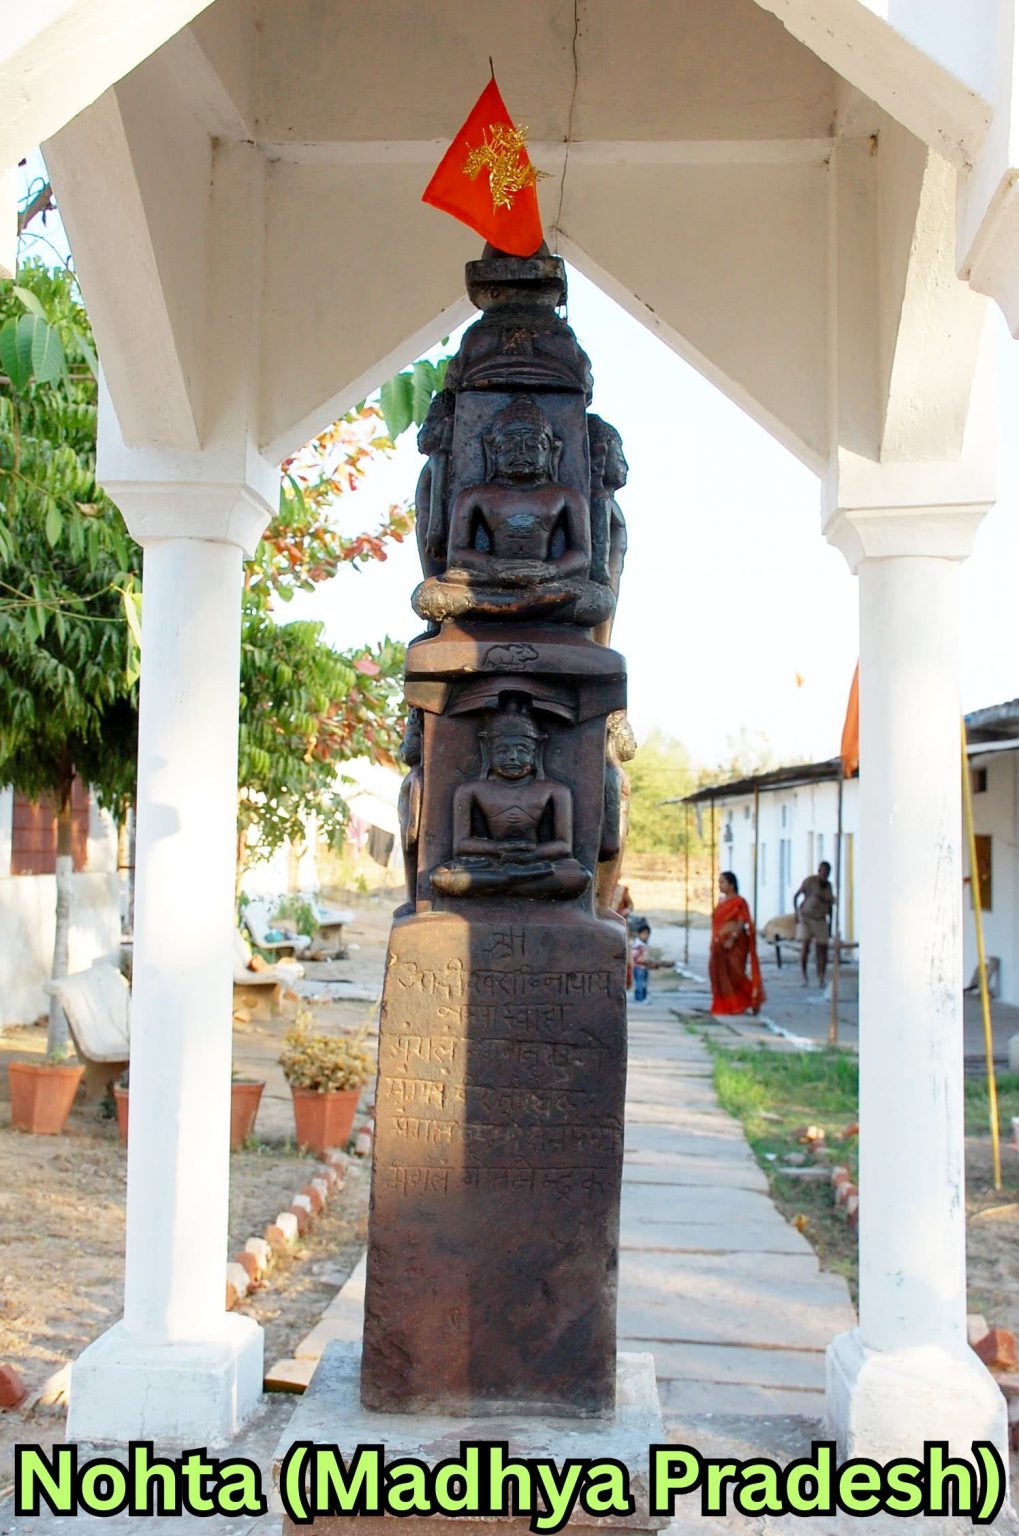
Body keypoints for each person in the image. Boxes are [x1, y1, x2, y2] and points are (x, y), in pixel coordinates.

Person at [709, 872, 764, 1016]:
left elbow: (741, 921)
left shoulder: (739, 902)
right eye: (719, 882)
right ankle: (727, 1005)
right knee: (718, 973)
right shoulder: (721, 902)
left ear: (731, 885)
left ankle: (752, 997)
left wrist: (732, 938)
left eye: (722, 882)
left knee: (735, 974)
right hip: (719, 944)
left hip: (735, 944)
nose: (719, 885)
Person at [794, 860, 835, 987]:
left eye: (827, 873)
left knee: (822, 948)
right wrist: (796, 913)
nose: (825, 875)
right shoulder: (810, 881)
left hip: (820, 919)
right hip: (806, 917)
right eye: (823, 872)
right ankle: (804, 977)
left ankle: (821, 976)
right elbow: (796, 896)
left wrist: (830, 923)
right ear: (819, 871)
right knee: (805, 947)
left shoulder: (828, 886)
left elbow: (830, 905)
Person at [631, 921, 659, 1004]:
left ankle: (643, 997)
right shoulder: (637, 945)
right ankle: (640, 998)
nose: (646, 936)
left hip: (644, 967)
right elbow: (635, 957)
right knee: (640, 983)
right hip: (639, 968)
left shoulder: (644, 944)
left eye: (647, 934)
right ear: (639, 934)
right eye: (644, 934)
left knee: (644, 983)